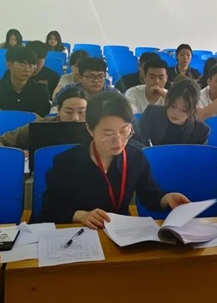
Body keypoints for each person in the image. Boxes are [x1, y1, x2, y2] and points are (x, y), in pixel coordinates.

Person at [39, 92, 190, 227]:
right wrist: (81, 215)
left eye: (124, 131)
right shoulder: (66, 162)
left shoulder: (135, 157)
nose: (118, 141)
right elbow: (50, 209)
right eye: (108, 134)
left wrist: (166, 198)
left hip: (120, 233)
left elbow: (149, 194)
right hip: (81, 232)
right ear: (90, 129)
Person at [0, 87, 88, 151]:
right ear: (58, 110)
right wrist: (16, 155)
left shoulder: (95, 129)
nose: (75, 118)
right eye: (69, 112)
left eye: (81, 112)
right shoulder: (41, 126)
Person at [135, 79, 210, 146]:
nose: (176, 113)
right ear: (167, 100)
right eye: (173, 106)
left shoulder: (201, 131)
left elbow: (200, 156)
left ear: (193, 110)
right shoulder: (152, 114)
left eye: (184, 110)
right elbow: (135, 140)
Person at [0, 47, 51, 117]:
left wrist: (2, 115)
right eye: (22, 65)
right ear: (9, 65)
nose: (27, 70)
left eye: (30, 66)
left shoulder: (40, 90)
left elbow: (43, 118)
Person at [54, 58, 118, 105]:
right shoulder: (66, 92)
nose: (96, 80)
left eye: (100, 76)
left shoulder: (114, 95)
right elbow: (54, 114)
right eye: (90, 76)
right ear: (80, 77)